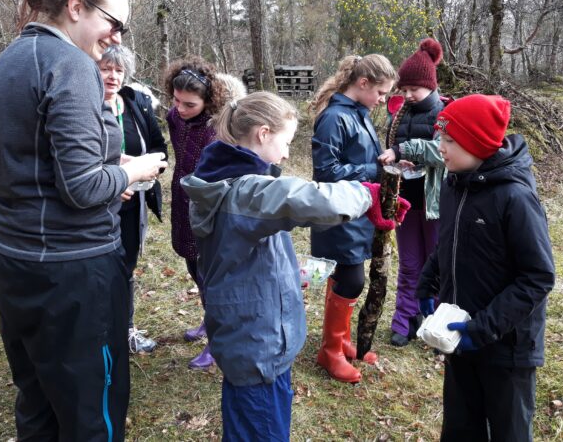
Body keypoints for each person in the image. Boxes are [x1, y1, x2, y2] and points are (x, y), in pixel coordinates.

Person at [0, 0, 167, 441]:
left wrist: (111, 168)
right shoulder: (72, 67)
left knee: (38, 401)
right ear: (78, 7)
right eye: (114, 22)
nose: (117, 37)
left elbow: (21, 157)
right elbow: (82, 188)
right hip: (70, 273)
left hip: (11, 260)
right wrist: (137, 170)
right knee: (90, 413)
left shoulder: (10, 58)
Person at [180, 91, 392, 441]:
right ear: (263, 134)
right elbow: (305, 198)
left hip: (253, 338)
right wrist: (367, 194)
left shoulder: (226, 182)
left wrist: (291, 275)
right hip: (258, 344)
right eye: (286, 141)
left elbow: (249, 251)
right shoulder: (245, 192)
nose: (287, 152)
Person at [415, 94, 555, 441]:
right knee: (461, 428)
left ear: (477, 143)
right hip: (459, 334)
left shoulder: (515, 198)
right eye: (440, 138)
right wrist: (428, 282)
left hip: (507, 349)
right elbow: (448, 243)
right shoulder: (453, 184)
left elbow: (537, 277)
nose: (440, 147)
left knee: (507, 432)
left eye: (449, 140)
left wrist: (482, 329)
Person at [309, 53, 398, 383]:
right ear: (362, 84)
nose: (383, 100)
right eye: (381, 92)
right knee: (351, 280)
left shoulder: (358, 113)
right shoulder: (334, 117)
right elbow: (326, 171)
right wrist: (373, 168)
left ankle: (342, 341)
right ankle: (329, 352)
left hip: (356, 211)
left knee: (347, 278)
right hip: (337, 214)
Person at [164, 57, 245, 369]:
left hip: (212, 209)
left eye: (190, 104)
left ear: (208, 100)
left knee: (212, 274)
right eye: (176, 100)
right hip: (183, 198)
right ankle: (208, 321)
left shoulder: (220, 126)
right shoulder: (174, 118)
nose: (181, 109)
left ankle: (219, 338)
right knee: (193, 266)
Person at [376, 38, 447, 347]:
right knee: (409, 265)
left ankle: (437, 324)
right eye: (403, 90)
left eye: (412, 90)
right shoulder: (399, 113)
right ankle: (405, 320)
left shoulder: (445, 113)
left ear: (429, 85)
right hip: (404, 200)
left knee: (436, 264)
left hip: (434, 203)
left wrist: (405, 150)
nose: (407, 96)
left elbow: (442, 151)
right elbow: (391, 145)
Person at [99, 45, 168, 354]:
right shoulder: (81, 105)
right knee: (98, 268)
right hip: (97, 203)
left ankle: (125, 331)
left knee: (126, 266)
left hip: (134, 201)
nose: (112, 76)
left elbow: (158, 148)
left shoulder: (137, 103)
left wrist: (148, 171)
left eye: (118, 70)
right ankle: (97, 332)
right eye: (105, 69)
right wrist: (115, 177)